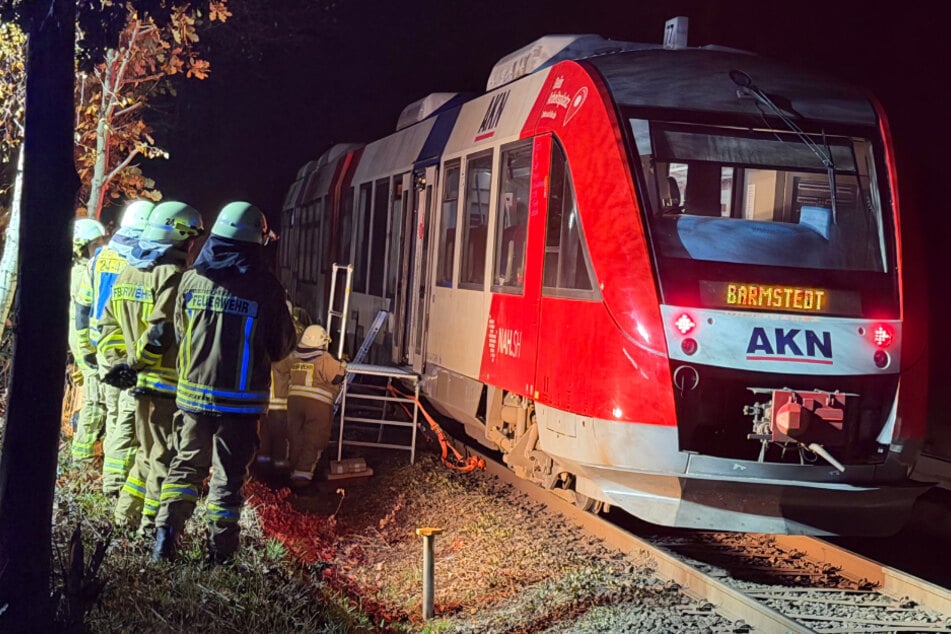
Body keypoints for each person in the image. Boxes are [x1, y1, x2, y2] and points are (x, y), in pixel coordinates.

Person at [153, 201, 296, 564]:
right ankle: (219, 555)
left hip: (192, 398)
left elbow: (182, 333)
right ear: (255, 243)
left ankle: (163, 542)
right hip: (240, 405)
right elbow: (280, 347)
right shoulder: (266, 289)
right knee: (228, 480)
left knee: (185, 467)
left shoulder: (190, 278)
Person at [99, 201, 204, 536]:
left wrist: (120, 364)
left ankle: (122, 518)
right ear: (180, 238)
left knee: (146, 456)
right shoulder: (172, 276)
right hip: (164, 385)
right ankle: (148, 531)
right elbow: (161, 333)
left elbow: (108, 326)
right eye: (191, 239)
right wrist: (132, 364)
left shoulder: (129, 271)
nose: (193, 247)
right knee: (162, 460)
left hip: (139, 383)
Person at [75, 199, 154, 495]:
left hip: (101, 349)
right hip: (127, 352)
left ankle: (110, 475)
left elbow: (83, 306)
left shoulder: (99, 258)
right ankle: (114, 485)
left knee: (111, 412)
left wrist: (85, 347)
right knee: (126, 417)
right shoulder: (140, 262)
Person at [68, 217, 108, 469]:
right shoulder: (82, 272)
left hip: (82, 337)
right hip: (84, 339)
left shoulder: (80, 269)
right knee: (95, 396)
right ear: (82, 246)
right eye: (96, 244)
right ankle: (82, 460)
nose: (101, 247)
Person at [286, 324, 346, 491]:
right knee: (314, 439)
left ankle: (292, 470)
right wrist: (342, 364)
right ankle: (302, 478)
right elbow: (337, 377)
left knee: (295, 437)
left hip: (294, 403)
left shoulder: (294, 357)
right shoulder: (324, 358)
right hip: (318, 406)